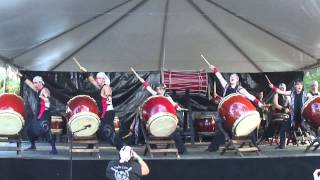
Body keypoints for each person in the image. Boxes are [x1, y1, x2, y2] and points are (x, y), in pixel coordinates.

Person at [207, 64, 266, 152]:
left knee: (248, 126)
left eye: (233, 77)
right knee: (221, 128)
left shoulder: (239, 89)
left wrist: (260, 104)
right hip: (226, 113)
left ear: (237, 79)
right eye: (230, 76)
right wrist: (214, 69)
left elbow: (250, 96)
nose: (231, 77)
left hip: (236, 114)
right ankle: (213, 148)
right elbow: (220, 78)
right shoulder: (226, 86)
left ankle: (254, 145)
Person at [80, 67, 125, 150]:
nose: (97, 80)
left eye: (99, 78)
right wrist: (85, 72)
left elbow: (108, 97)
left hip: (108, 112)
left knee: (108, 132)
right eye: (97, 78)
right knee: (101, 128)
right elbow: (92, 80)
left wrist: (108, 98)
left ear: (103, 79)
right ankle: (121, 148)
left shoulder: (106, 87)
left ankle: (123, 147)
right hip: (105, 112)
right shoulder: (102, 87)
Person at [140, 80, 187, 154]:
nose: (159, 91)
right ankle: (153, 147)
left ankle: (182, 150)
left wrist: (178, 107)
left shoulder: (168, 98)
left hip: (166, 122)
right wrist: (143, 82)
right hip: (156, 121)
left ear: (164, 90)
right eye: (158, 89)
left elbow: (174, 104)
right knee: (149, 129)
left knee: (175, 132)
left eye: (161, 89)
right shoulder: (156, 94)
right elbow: (148, 88)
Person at [17, 73, 57, 154]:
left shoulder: (45, 90)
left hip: (45, 114)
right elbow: (30, 84)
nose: (34, 84)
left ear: (40, 83)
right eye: (34, 82)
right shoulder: (38, 89)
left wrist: (45, 98)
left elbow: (48, 99)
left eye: (36, 83)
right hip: (39, 114)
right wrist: (23, 77)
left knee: (44, 130)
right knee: (29, 129)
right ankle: (33, 146)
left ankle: (54, 149)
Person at [269, 80, 314, 148]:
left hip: (303, 118)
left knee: (312, 129)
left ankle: (316, 140)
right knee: (282, 130)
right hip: (293, 118)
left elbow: (313, 99)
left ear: (302, 86)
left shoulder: (306, 94)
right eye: (297, 84)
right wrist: (273, 87)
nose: (299, 86)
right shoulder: (291, 93)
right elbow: (281, 92)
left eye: (300, 85)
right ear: (295, 86)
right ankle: (282, 145)